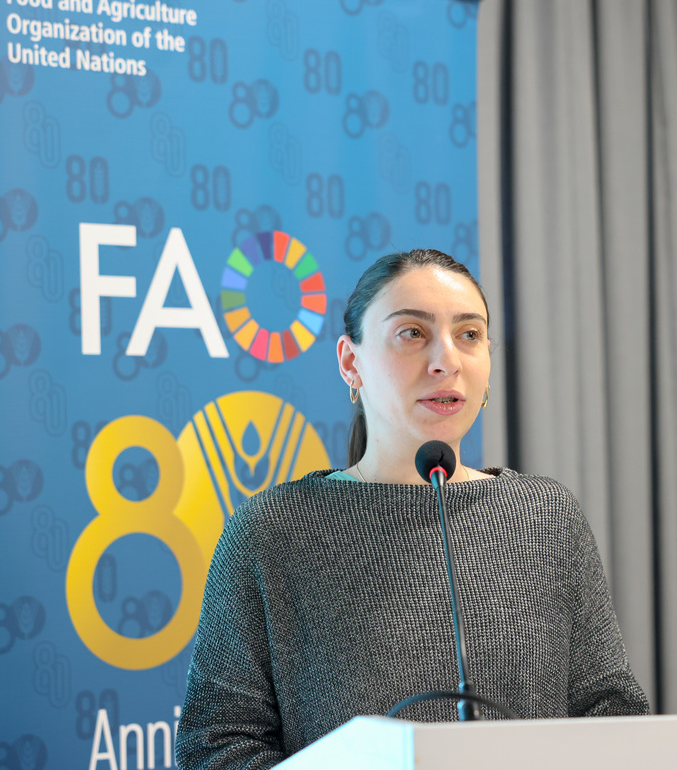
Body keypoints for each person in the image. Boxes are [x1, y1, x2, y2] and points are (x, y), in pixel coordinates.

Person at [175, 249, 648, 768]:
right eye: (412, 333)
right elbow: (214, 747)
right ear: (350, 362)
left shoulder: (546, 516)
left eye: (469, 335)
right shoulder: (272, 530)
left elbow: (613, 713)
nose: (447, 360)